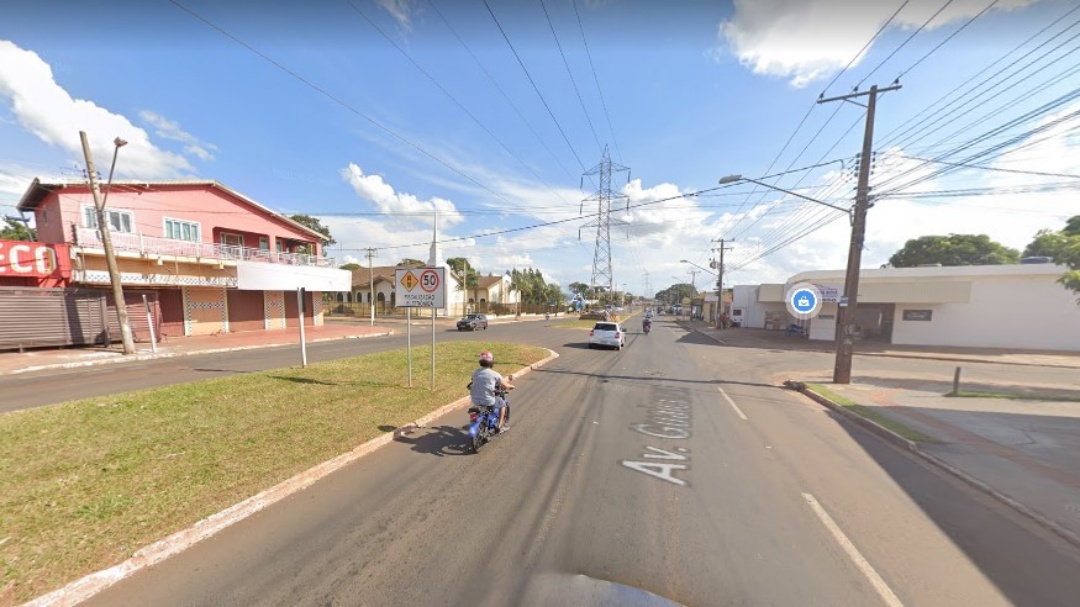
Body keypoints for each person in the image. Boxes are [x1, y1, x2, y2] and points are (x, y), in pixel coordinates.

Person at [469, 351, 515, 432]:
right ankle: (499, 426)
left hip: (475, 400)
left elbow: (475, 380)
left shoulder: (475, 372)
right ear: (491, 362)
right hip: (488, 400)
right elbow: (505, 385)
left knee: (488, 406)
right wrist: (511, 386)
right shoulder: (494, 374)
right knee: (503, 404)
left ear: (480, 362)